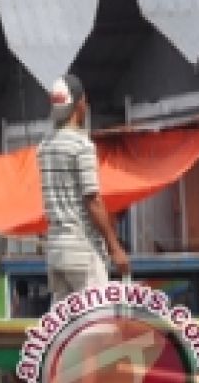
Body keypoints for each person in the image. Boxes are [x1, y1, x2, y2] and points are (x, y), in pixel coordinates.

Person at [37, 74, 130, 303]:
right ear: (80, 103)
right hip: (82, 249)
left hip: (56, 251)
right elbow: (92, 200)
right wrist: (114, 247)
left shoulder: (45, 146)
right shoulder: (81, 145)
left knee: (65, 329)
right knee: (96, 324)